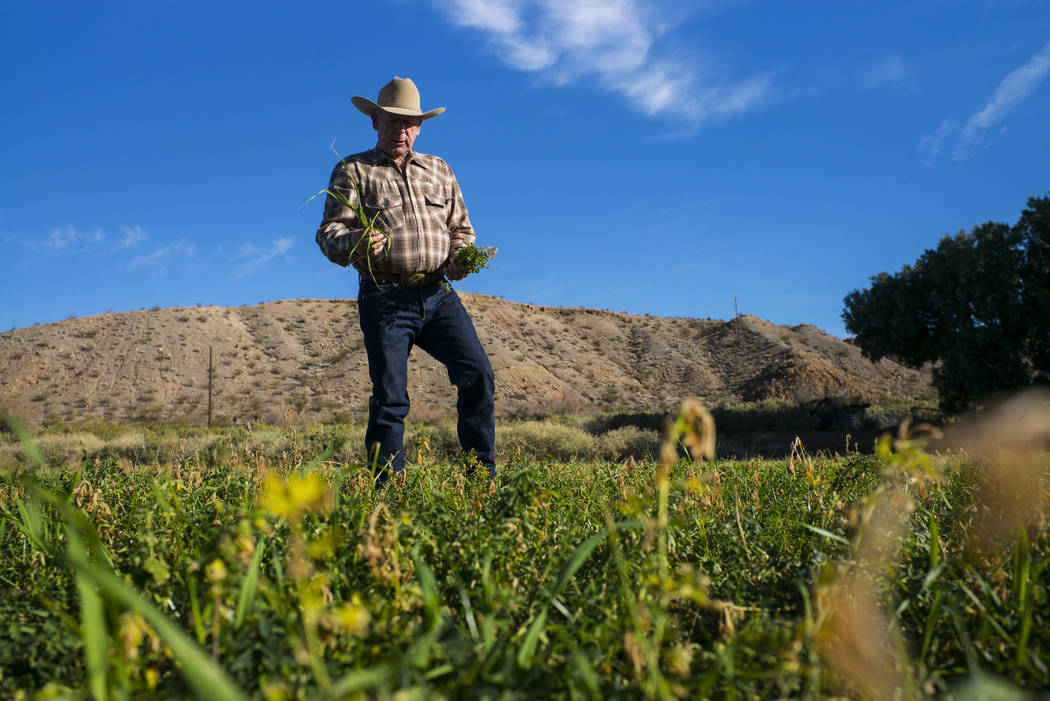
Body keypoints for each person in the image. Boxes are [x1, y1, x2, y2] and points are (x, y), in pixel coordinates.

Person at [315, 76, 496, 485]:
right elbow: (327, 234)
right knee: (391, 398)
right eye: (391, 121)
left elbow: (461, 230)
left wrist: (461, 258)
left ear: (419, 127)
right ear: (375, 122)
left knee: (478, 376)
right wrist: (357, 241)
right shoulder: (353, 170)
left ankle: (480, 480)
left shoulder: (440, 169)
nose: (400, 130)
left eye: (408, 123)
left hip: (439, 293)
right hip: (385, 297)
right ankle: (387, 493)